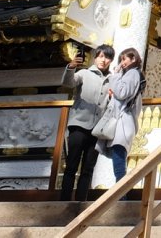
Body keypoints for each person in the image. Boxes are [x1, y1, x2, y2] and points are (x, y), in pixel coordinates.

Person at [59, 44, 114, 202]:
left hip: (98, 131)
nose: (104, 60)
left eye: (107, 57)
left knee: (88, 169)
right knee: (71, 166)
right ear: (95, 57)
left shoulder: (112, 80)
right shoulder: (83, 73)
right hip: (78, 127)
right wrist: (70, 67)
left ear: (111, 60)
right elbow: (68, 83)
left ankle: (81, 203)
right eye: (101, 56)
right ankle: (63, 202)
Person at [97, 48, 145, 191]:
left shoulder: (132, 73)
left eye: (124, 59)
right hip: (124, 121)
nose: (122, 63)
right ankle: (121, 194)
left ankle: (121, 195)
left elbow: (122, 92)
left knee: (119, 163)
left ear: (133, 59)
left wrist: (115, 76)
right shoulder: (134, 74)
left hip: (122, 122)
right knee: (119, 161)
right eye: (121, 59)